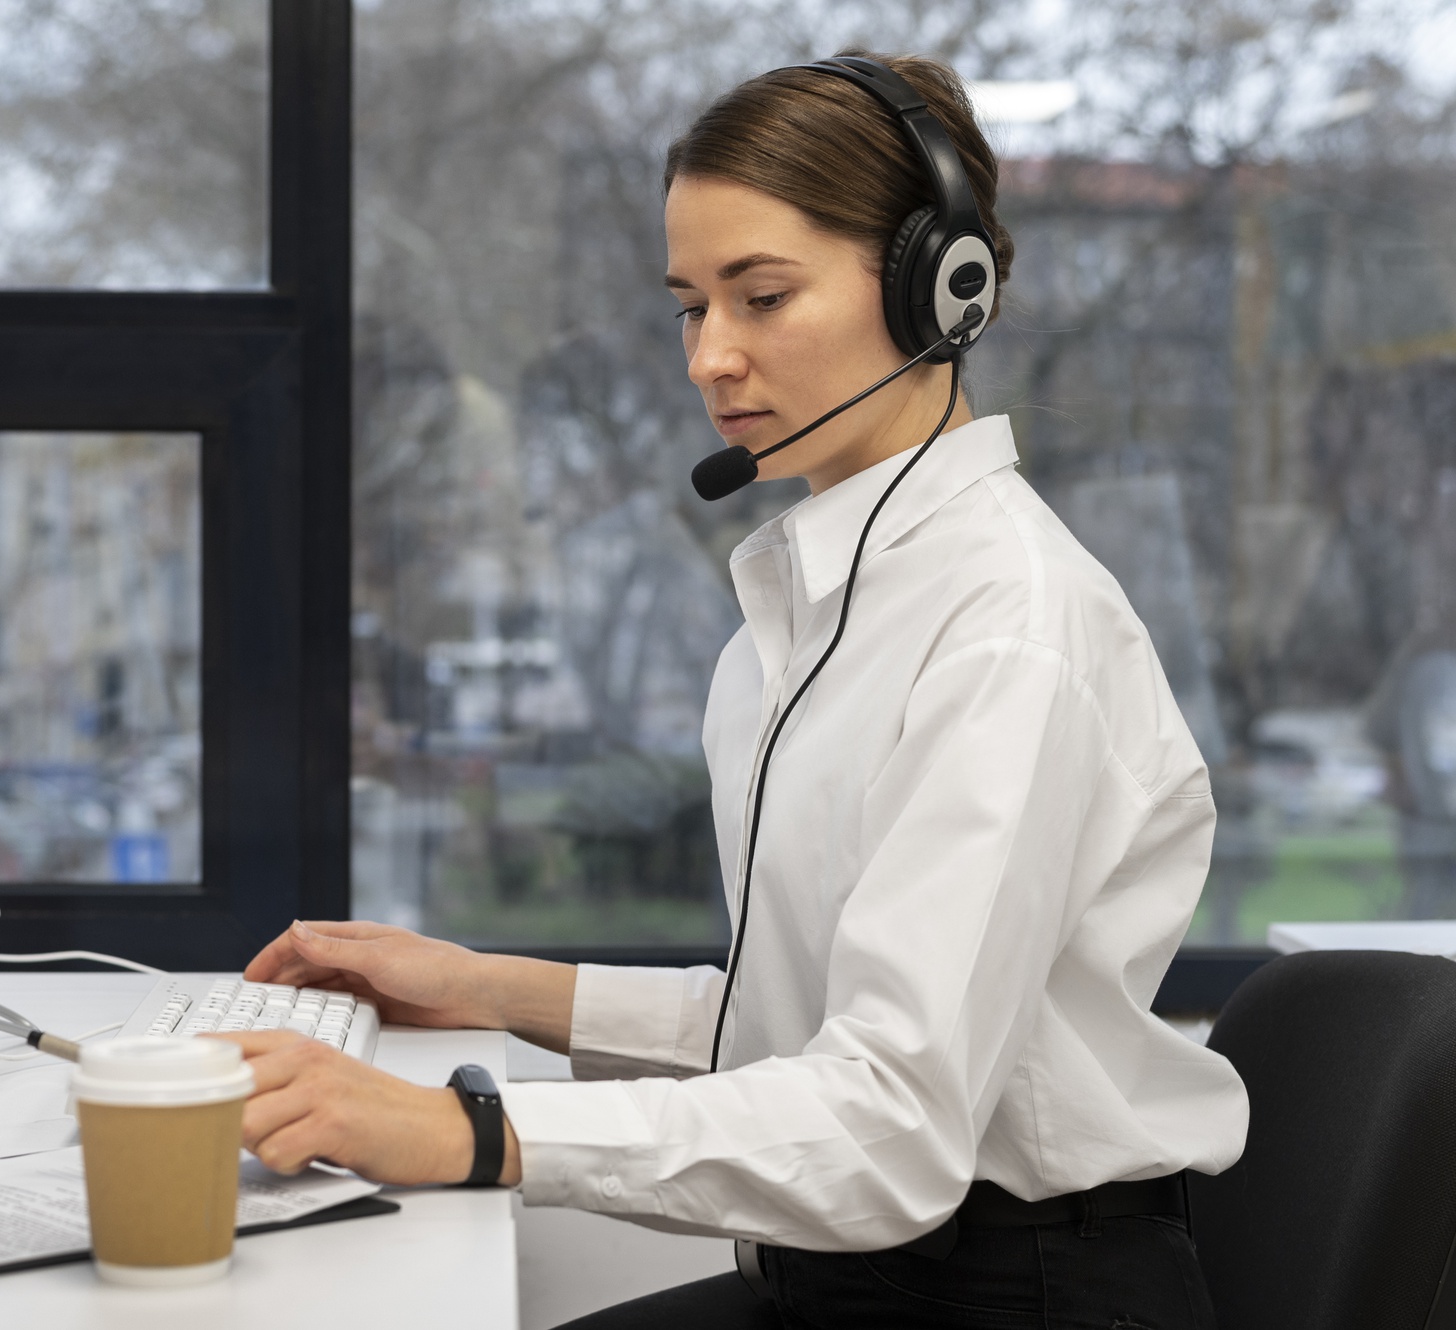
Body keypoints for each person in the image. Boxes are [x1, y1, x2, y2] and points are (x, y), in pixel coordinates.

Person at [215, 51, 1248, 1329]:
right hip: (865, 1271)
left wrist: (465, 1131)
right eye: (689, 308)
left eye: (760, 296)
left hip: (1017, 1293)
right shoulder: (818, 602)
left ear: (945, 289)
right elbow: (792, 1025)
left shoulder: (1004, 628)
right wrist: (483, 985)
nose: (710, 357)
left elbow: (886, 1121)